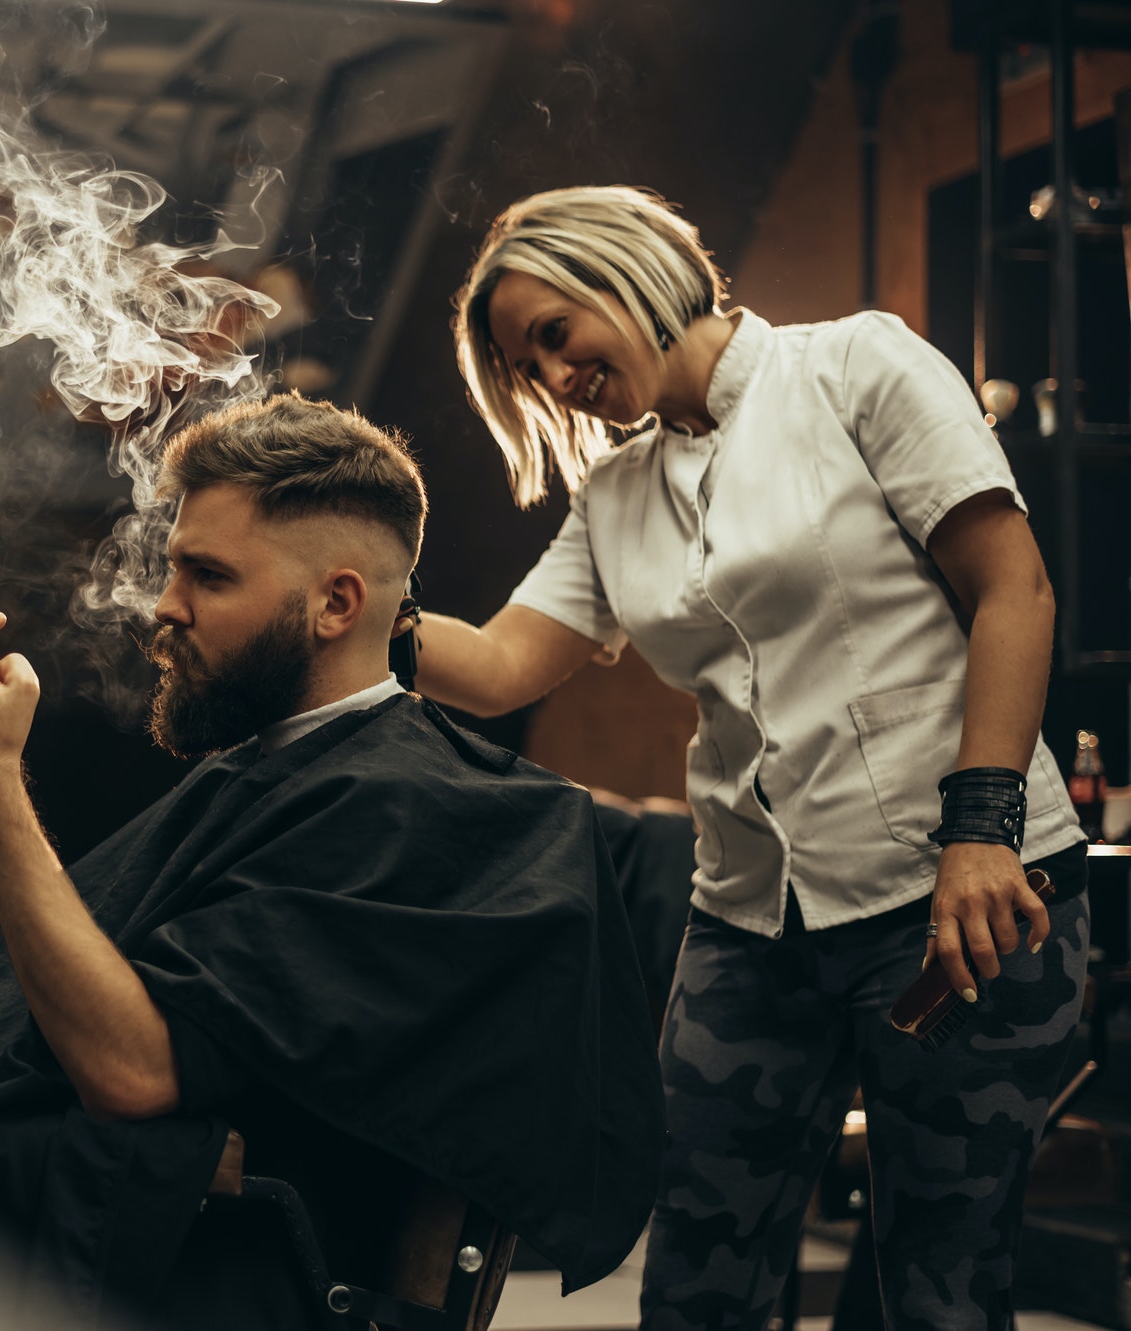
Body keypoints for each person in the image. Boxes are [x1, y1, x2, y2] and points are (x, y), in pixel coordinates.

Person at [0, 394, 664, 1327]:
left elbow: (132, 1071)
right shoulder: (277, 772)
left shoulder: (409, 813)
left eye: (207, 575)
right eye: (173, 569)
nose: (165, 607)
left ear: (337, 603)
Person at [418, 184, 1089, 1331]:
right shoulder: (614, 493)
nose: (549, 374)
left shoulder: (852, 367)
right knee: (691, 1282)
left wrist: (981, 831)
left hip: (955, 896)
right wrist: (325, 601)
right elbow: (490, 666)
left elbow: (1011, 589)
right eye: (523, 365)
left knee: (933, 1284)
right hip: (746, 926)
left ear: (620, 268)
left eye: (550, 332)